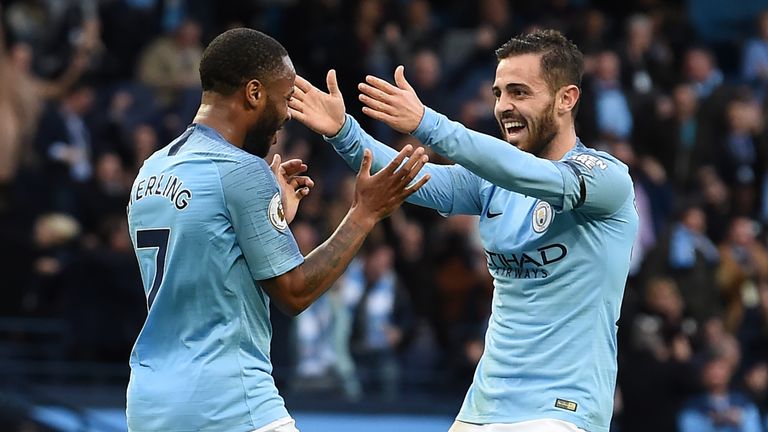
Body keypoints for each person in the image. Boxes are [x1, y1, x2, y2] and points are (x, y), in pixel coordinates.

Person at [289, 29, 638, 432]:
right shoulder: (493, 181)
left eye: (520, 93)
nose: (504, 107)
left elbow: (533, 176)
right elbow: (412, 179)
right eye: (498, 93)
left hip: (560, 411)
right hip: (483, 408)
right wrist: (343, 132)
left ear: (567, 99)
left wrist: (427, 123)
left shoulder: (606, 181)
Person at [125, 28, 430, 432]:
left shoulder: (153, 168)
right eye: (285, 99)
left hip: (149, 402)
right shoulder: (241, 170)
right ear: (254, 93)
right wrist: (364, 213)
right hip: (228, 402)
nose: (287, 115)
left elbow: (203, 256)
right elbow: (295, 290)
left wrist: (272, 220)